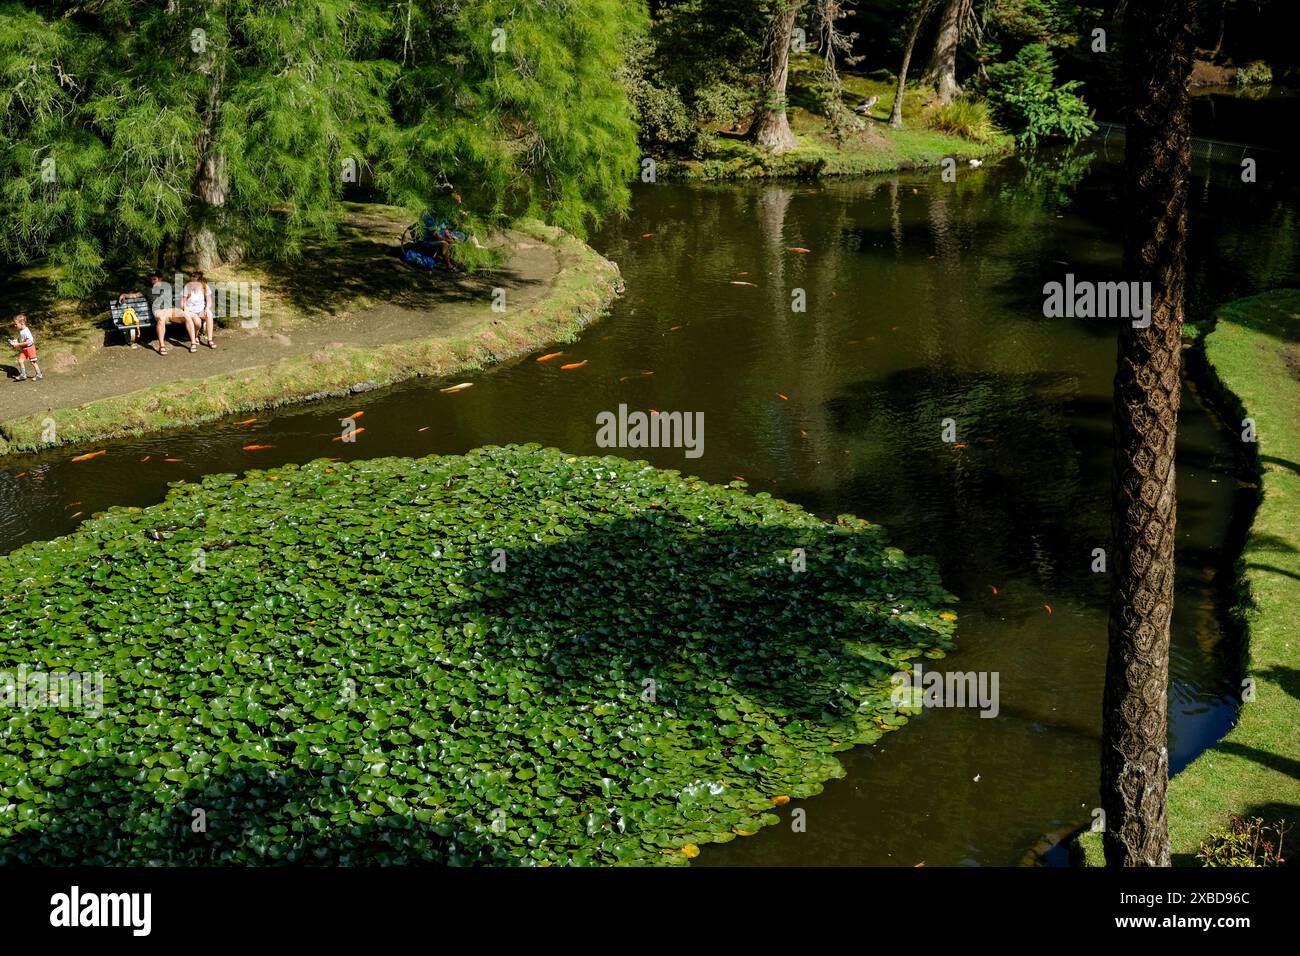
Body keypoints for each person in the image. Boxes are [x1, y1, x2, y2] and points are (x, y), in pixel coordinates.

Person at [119, 272, 196, 354]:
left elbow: (181, 289)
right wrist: (124, 295)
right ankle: (162, 346)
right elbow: (135, 295)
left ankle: (193, 343)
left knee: (187, 315)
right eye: (152, 279)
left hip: (171, 310)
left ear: (160, 279)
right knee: (161, 318)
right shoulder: (148, 289)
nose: (153, 281)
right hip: (158, 311)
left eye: (155, 279)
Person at [182, 271, 216, 350]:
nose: (192, 283)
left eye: (195, 282)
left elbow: (209, 301)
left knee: (209, 315)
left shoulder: (204, 287)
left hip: (201, 310)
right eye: (192, 281)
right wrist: (186, 309)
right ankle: (194, 338)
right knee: (197, 323)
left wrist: (207, 308)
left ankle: (210, 340)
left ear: (200, 281)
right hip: (190, 311)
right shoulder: (187, 287)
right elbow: (183, 302)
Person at [7, 315, 43, 381]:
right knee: (20, 361)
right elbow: (21, 338)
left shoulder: (26, 331)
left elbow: (28, 342)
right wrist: (16, 340)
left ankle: (39, 375)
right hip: (24, 349)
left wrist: (18, 344)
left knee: (33, 362)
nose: (15, 325)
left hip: (30, 348)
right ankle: (23, 375)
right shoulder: (21, 330)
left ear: (22, 323)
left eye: (16, 324)